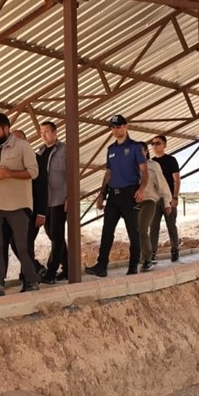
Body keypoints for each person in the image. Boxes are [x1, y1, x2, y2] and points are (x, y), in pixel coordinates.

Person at [0, 113, 40, 296]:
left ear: (6, 128)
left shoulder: (23, 146)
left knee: (22, 247)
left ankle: (32, 281)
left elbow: (33, 172)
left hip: (19, 205)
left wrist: (10, 173)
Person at [84, 115, 148, 277]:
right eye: (113, 127)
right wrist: (101, 194)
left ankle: (133, 265)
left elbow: (144, 170)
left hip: (129, 193)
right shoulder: (111, 150)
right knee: (107, 231)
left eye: (118, 127)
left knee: (133, 231)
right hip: (113, 195)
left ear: (126, 127)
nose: (115, 130)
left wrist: (141, 189)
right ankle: (101, 266)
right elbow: (108, 173)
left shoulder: (135, 147)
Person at [37, 121, 69, 283]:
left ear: (55, 132)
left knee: (56, 235)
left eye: (46, 132)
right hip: (45, 201)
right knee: (52, 234)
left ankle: (51, 271)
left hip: (60, 199)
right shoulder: (40, 152)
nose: (43, 135)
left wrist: (70, 197)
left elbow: (72, 174)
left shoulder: (64, 150)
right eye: (41, 132)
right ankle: (68, 267)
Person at [148, 135, 181, 263]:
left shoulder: (171, 160)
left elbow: (176, 180)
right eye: (153, 143)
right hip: (155, 199)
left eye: (158, 143)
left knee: (171, 225)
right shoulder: (151, 163)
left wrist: (175, 197)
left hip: (168, 198)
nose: (155, 146)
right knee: (153, 227)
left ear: (164, 145)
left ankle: (175, 250)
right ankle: (152, 253)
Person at [137, 150, 172, 271]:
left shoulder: (153, 166)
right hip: (133, 202)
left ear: (146, 152)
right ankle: (138, 256)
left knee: (143, 228)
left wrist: (167, 202)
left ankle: (147, 259)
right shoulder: (129, 165)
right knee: (134, 229)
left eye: (141, 150)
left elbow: (162, 184)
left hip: (149, 200)